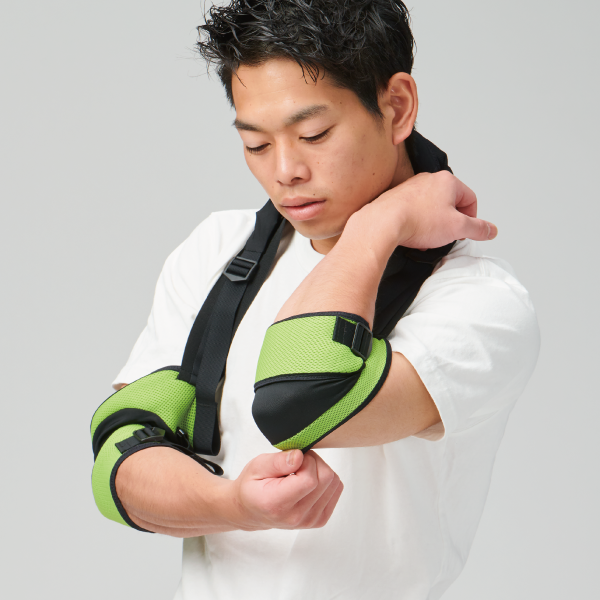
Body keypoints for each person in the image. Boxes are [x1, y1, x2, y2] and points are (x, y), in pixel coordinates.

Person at [106, 1, 540, 598]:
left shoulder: (479, 302)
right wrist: (235, 505)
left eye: (314, 135)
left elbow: (299, 398)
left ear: (397, 107)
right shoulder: (217, 249)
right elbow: (121, 454)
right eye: (256, 144)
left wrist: (377, 226)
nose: (285, 171)